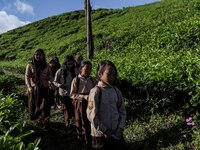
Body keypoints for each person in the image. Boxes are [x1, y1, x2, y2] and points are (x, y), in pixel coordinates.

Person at [86, 60, 127, 150]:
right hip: (101, 135)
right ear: (100, 74)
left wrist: (120, 127)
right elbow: (91, 115)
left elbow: (122, 111)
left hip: (116, 133)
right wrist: (105, 130)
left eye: (114, 75)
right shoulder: (95, 91)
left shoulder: (116, 91)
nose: (112, 77)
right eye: (109, 74)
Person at [70, 60, 97, 150]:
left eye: (90, 69)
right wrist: (83, 96)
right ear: (81, 69)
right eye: (87, 69)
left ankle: (90, 140)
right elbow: (72, 94)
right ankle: (82, 141)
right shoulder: (76, 80)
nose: (89, 71)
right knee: (81, 120)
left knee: (90, 119)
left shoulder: (93, 80)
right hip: (80, 102)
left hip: (90, 102)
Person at [25, 48, 53, 131]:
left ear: (43, 56)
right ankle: (37, 119)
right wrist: (29, 87)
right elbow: (27, 77)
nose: (38, 56)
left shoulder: (46, 65)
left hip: (44, 87)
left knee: (45, 104)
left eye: (40, 54)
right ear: (34, 55)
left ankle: (44, 120)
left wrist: (51, 82)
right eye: (36, 54)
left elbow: (50, 75)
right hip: (34, 88)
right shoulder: (30, 65)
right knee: (34, 104)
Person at [53, 55, 75, 132]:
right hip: (63, 94)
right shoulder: (60, 71)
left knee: (71, 108)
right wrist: (60, 85)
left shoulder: (75, 71)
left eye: (71, 64)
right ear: (65, 63)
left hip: (72, 93)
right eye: (68, 64)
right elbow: (54, 81)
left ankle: (72, 121)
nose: (70, 65)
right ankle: (67, 124)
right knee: (65, 108)